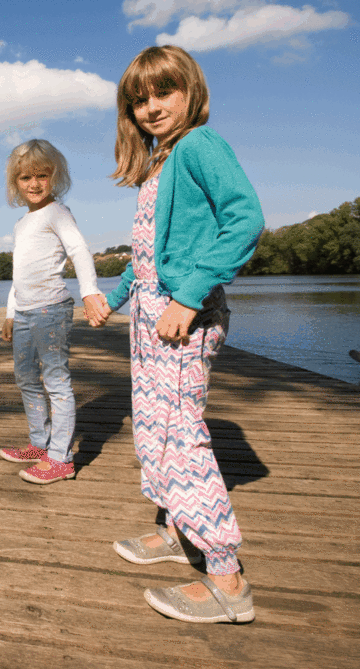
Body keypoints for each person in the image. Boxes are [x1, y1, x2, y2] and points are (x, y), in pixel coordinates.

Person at [88, 45, 264, 624]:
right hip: (149, 317)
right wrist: (111, 301)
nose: (152, 107)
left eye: (164, 92)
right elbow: (145, 257)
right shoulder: (161, 161)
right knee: (154, 430)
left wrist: (188, 297)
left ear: (190, 91)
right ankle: (174, 530)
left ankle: (226, 579)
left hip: (181, 319)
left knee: (179, 438)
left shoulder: (200, 146)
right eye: (140, 100)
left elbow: (245, 220)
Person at [0, 139, 108, 485]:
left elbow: (79, 250)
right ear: (15, 183)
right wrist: (10, 312)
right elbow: (20, 275)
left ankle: (61, 458)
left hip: (51, 310)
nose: (33, 184)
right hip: (25, 313)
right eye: (25, 178)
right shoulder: (21, 224)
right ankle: (39, 444)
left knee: (56, 382)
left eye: (41, 176)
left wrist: (89, 292)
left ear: (54, 177)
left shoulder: (57, 212)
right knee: (26, 379)